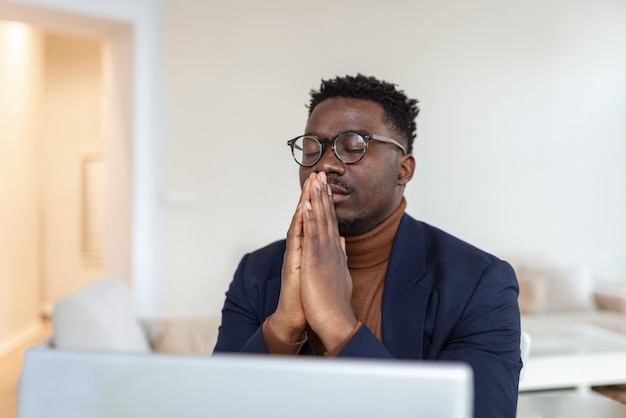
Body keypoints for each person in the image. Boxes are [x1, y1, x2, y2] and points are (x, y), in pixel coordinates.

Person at [214, 74, 521, 417]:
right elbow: (215, 407)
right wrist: (284, 325)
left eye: (353, 145)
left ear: (404, 169)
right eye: (313, 147)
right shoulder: (257, 272)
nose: (325, 164)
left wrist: (336, 322)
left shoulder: (478, 283)